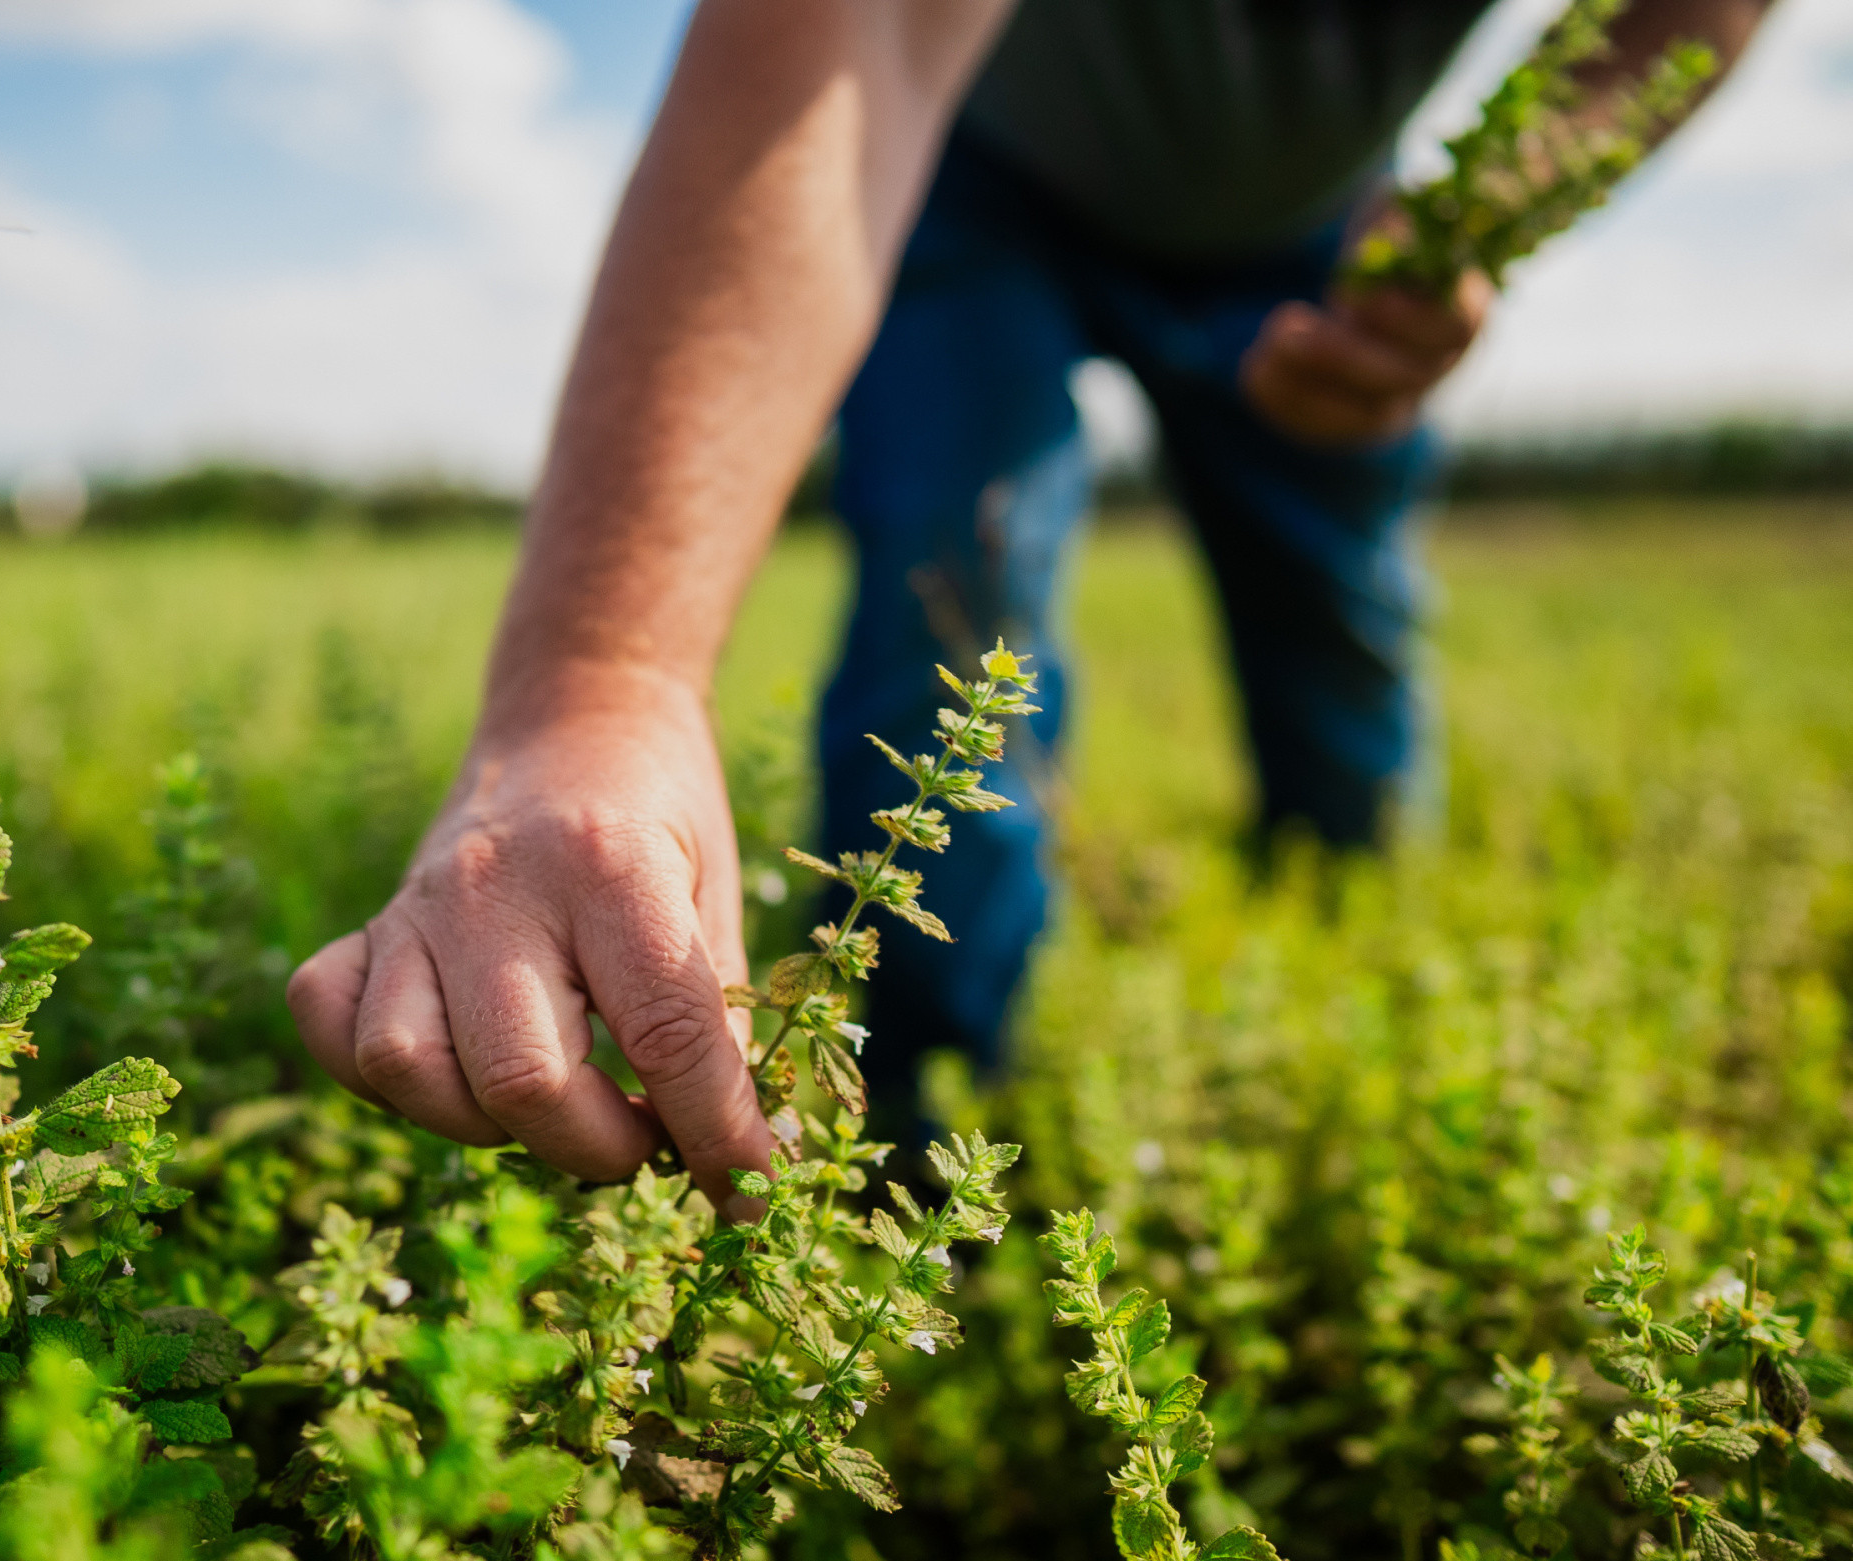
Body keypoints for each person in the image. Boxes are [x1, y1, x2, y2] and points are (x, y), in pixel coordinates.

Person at [288, 0, 1773, 1212]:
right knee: (951, 626)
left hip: (1325, 227)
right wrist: (602, 682)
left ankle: (1362, 1037)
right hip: (971, 166)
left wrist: (1483, 215)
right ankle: (897, 1143)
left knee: (1343, 656)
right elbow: (841, 39)